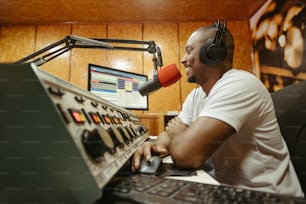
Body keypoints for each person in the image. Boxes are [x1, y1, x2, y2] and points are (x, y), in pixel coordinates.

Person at [132, 21, 304, 198]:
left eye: (189, 50)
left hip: (268, 196)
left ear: (213, 52)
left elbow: (185, 156)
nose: (183, 59)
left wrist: (180, 136)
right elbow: (168, 137)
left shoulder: (240, 84)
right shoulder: (197, 95)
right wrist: (154, 146)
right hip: (223, 188)